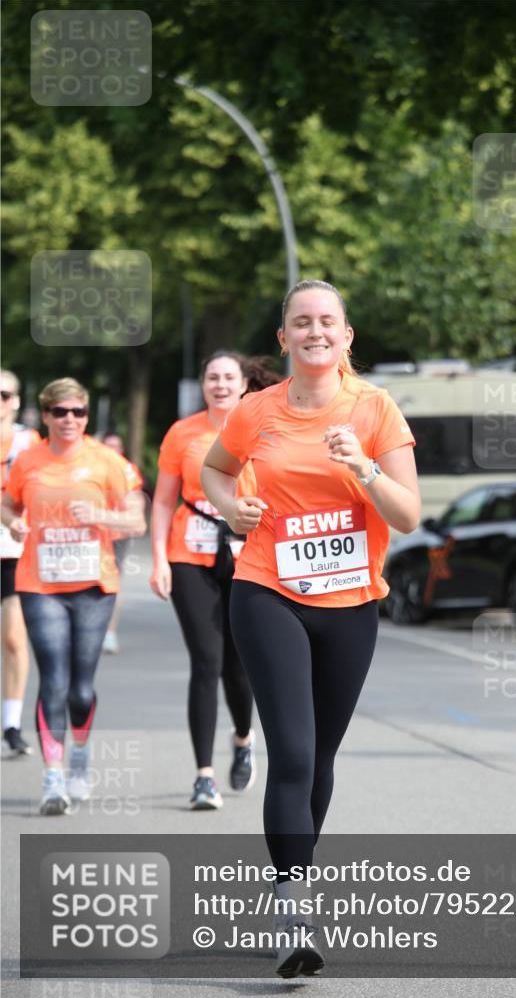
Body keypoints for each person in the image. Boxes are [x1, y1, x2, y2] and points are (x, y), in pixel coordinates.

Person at [201, 280, 420, 977]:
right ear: (284, 339)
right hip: (266, 591)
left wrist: (361, 470)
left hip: (351, 602)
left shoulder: (376, 409)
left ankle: (291, 876)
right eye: (302, 322)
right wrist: (229, 507)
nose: (315, 331)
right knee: (292, 753)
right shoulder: (255, 411)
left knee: (320, 759)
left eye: (328, 322)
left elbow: (408, 514)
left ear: (346, 337)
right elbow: (214, 471)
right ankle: (294, 908)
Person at [0, 378, 146, 814]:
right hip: (41, 585)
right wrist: (13, 523)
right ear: (45, 416)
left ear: (86, 416)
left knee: (81, 688)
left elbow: (136, 520)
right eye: (60, 412)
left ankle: (79, 753)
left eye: (78, 412)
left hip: (94, 587)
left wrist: (100, 514)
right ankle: (54, 778)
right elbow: (8, 504)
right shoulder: (28, 461)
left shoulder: (107, 461)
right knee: (54, 679)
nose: (69, 419)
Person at [150, 352, 280, 811]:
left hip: (250, 554)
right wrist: (158, 560)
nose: (220, 385)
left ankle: (244, 737)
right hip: (190, 552)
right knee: (205, 662)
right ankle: (203, 776)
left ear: (245, 383)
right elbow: (164, 501)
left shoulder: (264, 427)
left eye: (229, 377)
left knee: (237, 665)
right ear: (202, 384)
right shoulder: (181, 433)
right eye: (212, 377)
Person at [1, 369, 41, 756]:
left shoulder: (29, 442)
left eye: (3, 394)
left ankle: (11, 723)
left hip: (13, 550)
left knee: (14, 639)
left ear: (14, 401)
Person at [100, 432, 146, 655]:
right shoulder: (90, 466)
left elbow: (135, 505)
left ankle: (109, 632)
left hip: (118, 535)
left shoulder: (127, 470)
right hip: (94, 535)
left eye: (115, 446)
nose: (111, 450)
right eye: (107, 446)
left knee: (113, 581)